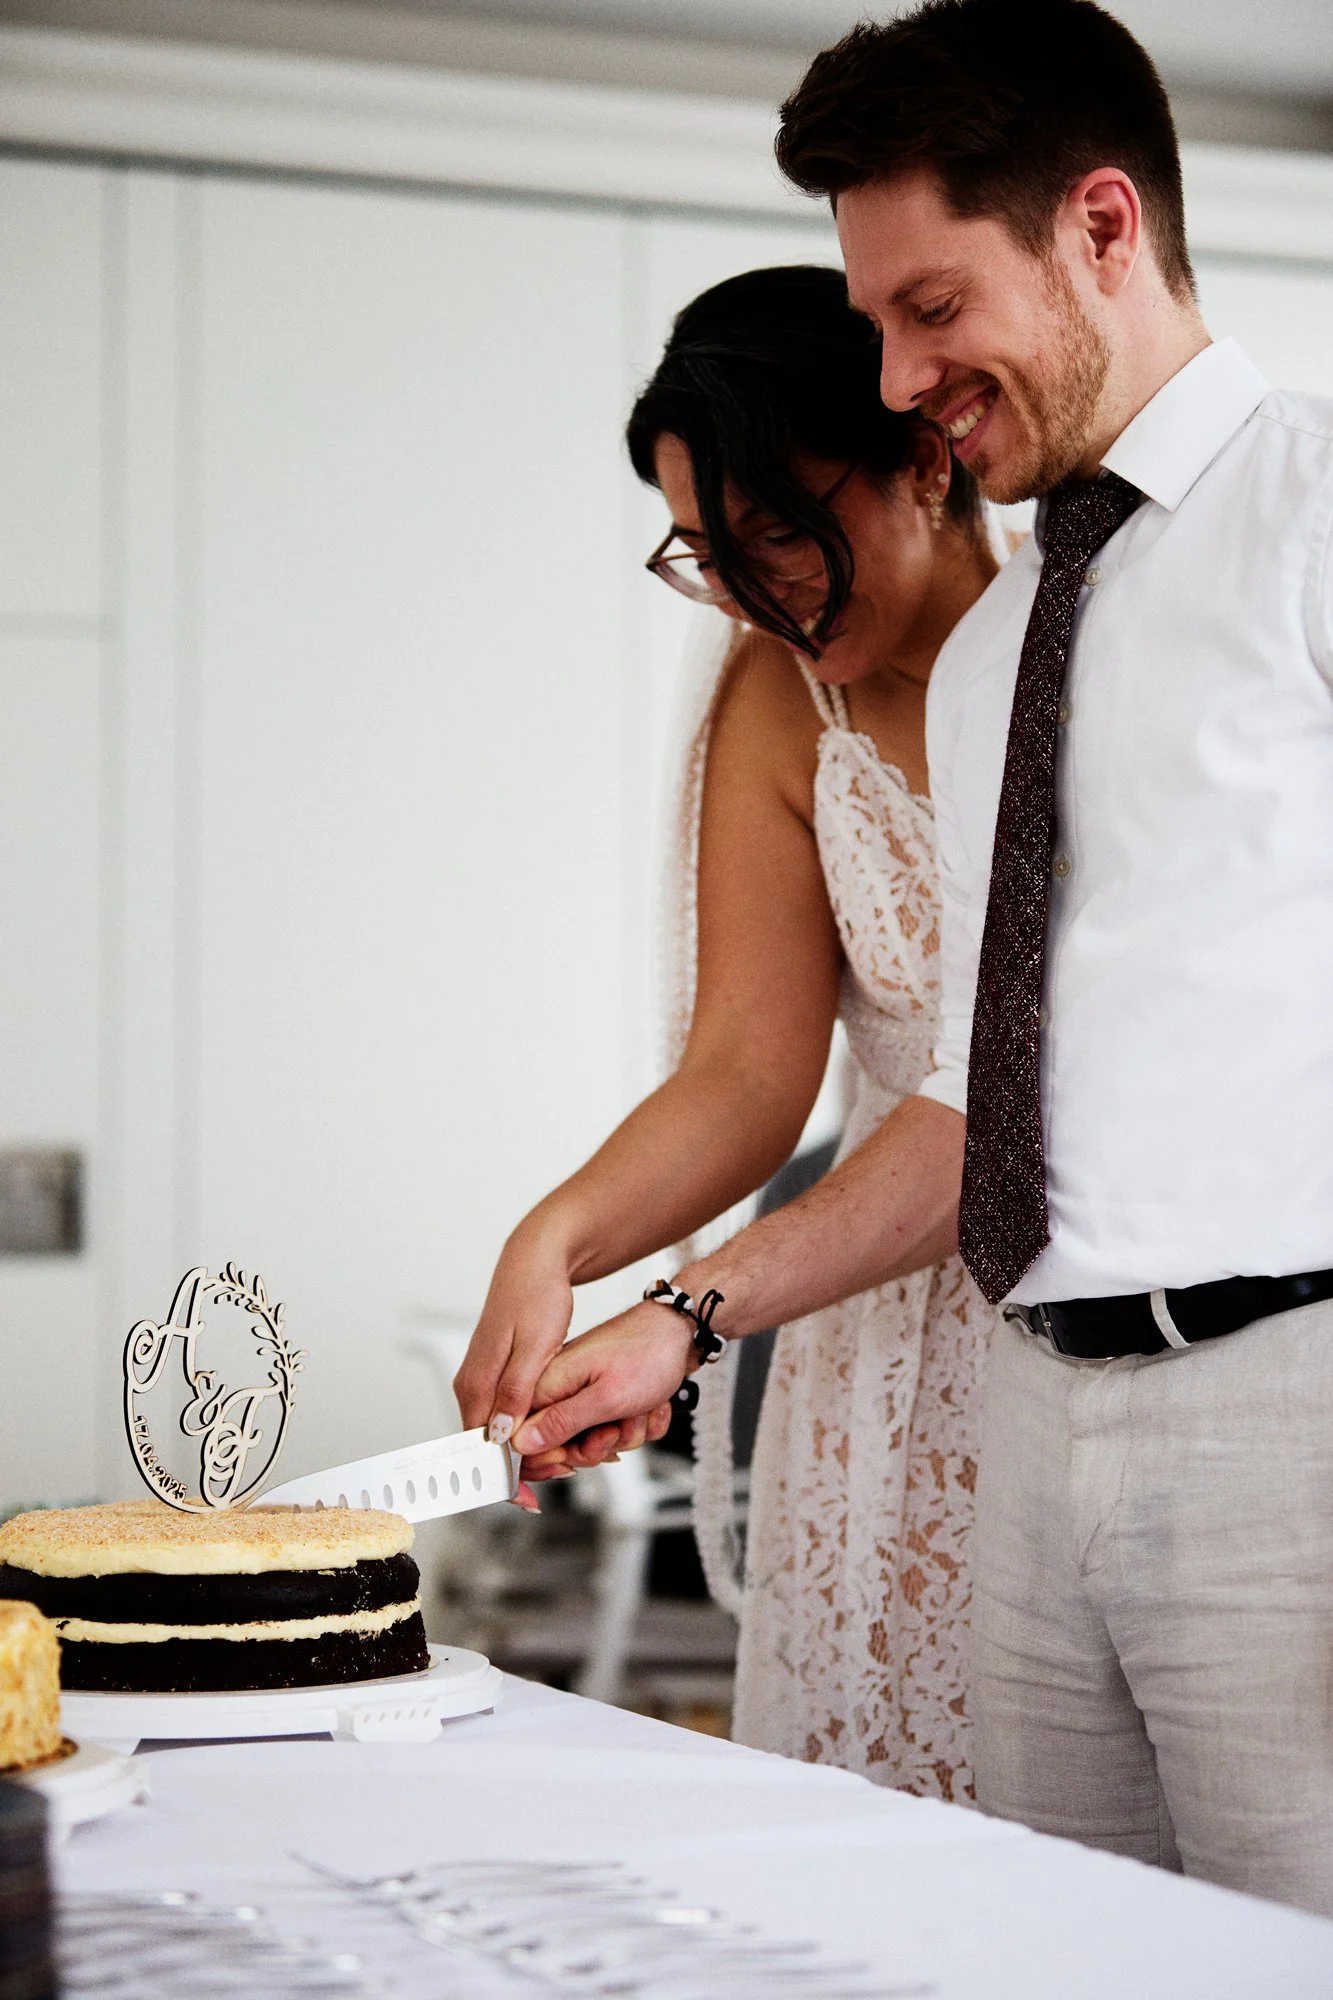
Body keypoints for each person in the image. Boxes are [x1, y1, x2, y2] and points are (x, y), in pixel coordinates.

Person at [507, 0, 1333, 1917]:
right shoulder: (996, 658)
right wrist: (682, 1314)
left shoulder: (1310, 509)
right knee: (1038, 1942)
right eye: (875, 322)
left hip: (1282, 1401)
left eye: (931, 308)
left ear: (1102, 227)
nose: (898, 376)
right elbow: (978, 1098)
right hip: (1032, 1415)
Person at [454, 264, 1001, 1796]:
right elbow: (750, 1069)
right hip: (862, 1322)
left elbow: (1018, 1091)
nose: (755, 593)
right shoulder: (782, 696)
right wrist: (558, 1239)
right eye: (708, 555)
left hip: (1067, 1307)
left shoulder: (1080, 648)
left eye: (778, 531)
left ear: (923, 458)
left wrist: (689, 1311)